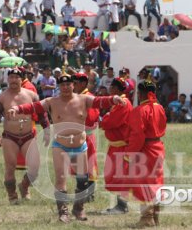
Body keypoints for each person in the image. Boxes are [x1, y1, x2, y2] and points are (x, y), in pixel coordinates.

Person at [7, 74, 125, 223]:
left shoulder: (83, 99)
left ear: (73, 85)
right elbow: (34, 107)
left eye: (68, 84)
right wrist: (17, 108)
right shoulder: (52, 101)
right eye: (62, 85)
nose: (65, 87)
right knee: (61, 179)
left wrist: (113, 99)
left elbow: (99, 102)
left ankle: (78, 208)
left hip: (80, 145)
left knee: (83, 180)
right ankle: (63, 213)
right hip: (60, 145)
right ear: (59, 87)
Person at [0, 68, 50, 204]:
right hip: (10, 137)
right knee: (10, 166)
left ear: (21, 79)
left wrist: (46, 131)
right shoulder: (1, 97)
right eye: (10, 77)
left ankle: (24, 186)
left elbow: (42, 114)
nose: (13, 80)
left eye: (16, 77)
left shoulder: (31, 95)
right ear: (7, 79)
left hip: (28, 135)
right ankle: (12, 196)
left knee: (35, 168)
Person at [125, 80, 166, 227]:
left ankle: (146, 219)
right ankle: (155, 216)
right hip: (158, 147)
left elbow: (137, 135)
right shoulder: (160, 107)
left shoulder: (140, 110)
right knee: (157, 182)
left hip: (145, 149)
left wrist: (130, 153)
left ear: (140, 93)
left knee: (144, 183)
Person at [101, 77, 133, 214]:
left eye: (111, 87)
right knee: (115, 175)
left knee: (121, 176)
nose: (109, 89)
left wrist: (105, 118)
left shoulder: (123, 103)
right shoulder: (119, 103)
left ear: (115, 89)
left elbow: (111, 121)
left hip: (121, 146)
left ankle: (122, 206)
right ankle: (119, 206)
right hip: (116, 145)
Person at [72, 73, 100, 202]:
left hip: (86, 136)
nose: (73, 85)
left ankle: (89, 194)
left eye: (75, 83)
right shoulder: (75, 97)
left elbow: (92, 118)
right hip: (75, 136)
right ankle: (81, 191)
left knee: (89, 165)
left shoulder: (89, 98)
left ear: (83, 83)